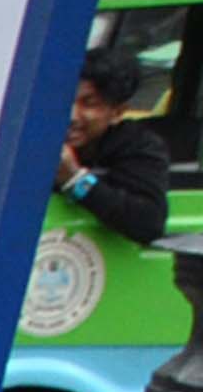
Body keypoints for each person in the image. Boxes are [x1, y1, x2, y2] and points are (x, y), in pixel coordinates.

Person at [58, 43, 171, 247]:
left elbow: (149, 222)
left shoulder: (139, 147)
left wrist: (75, 179)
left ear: (117, 113)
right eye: (65, 101)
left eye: (89, 104)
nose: (71, 116)